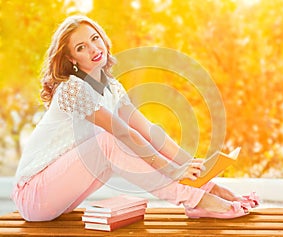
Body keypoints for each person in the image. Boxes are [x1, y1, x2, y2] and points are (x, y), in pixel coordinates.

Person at [11, 15, 258, 222]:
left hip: (61, 198)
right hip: (33, 194)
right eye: (81, 47)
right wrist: (173, 171)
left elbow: (148, 130)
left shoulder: (112, 87)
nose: (94, 49)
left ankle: (206, 193)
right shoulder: (72, 90)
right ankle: (196, 200)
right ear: (72, 60)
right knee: (108, 141)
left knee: (130, 140)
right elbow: (122, 134)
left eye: (94, 38)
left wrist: (197, 171)